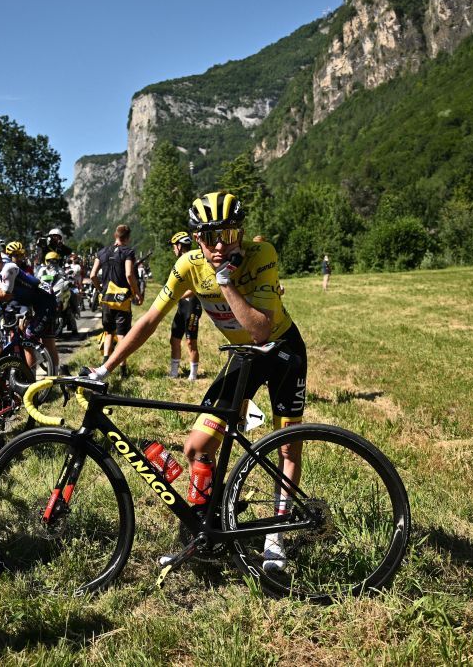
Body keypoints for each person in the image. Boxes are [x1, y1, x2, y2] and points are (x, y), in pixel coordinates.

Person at [84, 192, 307, 570]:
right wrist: (104, 368)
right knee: (196, 447)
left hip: (282, 349)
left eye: (229, 233)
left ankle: (276, 537)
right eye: (209, 235)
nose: (220, 244)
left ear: (241, 231)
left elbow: (261, 330)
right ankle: (206, 530)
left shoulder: (260, 254)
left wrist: (226, 282)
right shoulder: (187, 266)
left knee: (287, 450)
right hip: (244, 358)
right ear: (196, 236)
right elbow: (150, 320)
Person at [0, 241, 58, 371]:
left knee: (40, 339)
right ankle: (30, 374)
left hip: (46, 301)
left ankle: (52, 374)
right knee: (26, 339)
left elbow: (5, 295)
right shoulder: (0, 271)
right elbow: (3, 295)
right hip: (33, 302)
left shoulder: (7, 268)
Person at [89, 224, 142, 376]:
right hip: (121, 299)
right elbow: (129, 275)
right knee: (122, 335)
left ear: (115, 235)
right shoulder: (128, 252)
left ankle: (105, 366)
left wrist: (100, 289)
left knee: (108, 332)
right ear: (128, 237)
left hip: (106, 298)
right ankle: (123, 369)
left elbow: (93, 275)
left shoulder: (102, 252)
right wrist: (136, 292)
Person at [167, 232, 201, 380]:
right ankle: (174, 372)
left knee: (190, 341)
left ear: (180, 246)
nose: (173, 250)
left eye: (174, 247)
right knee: (174, 339)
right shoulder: (179, 263)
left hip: (193, 306)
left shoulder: (193, 261)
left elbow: (196, 287)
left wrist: (176, 296)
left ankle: (193, 375)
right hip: (182, 307)